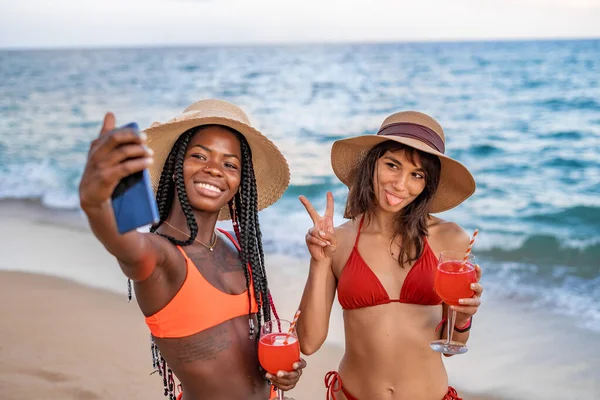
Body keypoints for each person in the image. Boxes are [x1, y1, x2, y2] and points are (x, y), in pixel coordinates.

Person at [79, 99, 306, 400]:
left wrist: (281, 372)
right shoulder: (161, 256)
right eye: (199, 156)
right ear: (175, 167)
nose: (214, 170)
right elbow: (122, 243)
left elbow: (242, 344)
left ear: (239, 183)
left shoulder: (236, 244)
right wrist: (95, 203)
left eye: (230, 164)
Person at [296, 110, 483, 400]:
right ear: (373, 164)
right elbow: (308, 342)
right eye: (392, 165)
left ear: (427, 184)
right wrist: (319, 261)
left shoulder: (450, 238)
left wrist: (464, 317)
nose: (400, 184)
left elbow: (453, 345)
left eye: (416, 175)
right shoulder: (340, 240)